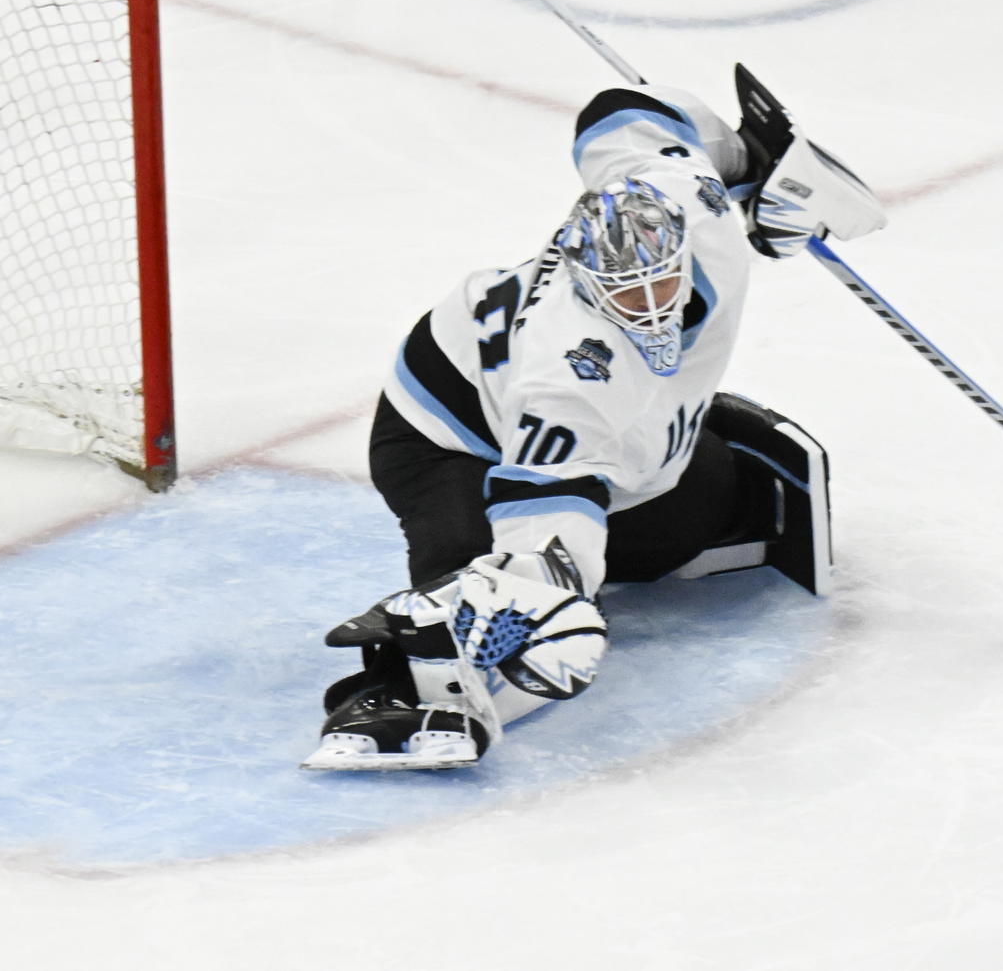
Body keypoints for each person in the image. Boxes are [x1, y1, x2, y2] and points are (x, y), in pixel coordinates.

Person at [302, 67, 885, 770]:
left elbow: (624, 112)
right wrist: (546, 598)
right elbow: (542, 495)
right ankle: (401, 687)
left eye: (661, 284)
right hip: (449, 434)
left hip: (594, 422)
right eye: (625, 297)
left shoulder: (694, 210)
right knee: (477, 579)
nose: (649, 309)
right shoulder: (573, 369)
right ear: (585, 279)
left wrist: (749, 166)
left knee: (680, 532)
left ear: (682, 248)